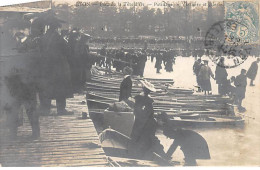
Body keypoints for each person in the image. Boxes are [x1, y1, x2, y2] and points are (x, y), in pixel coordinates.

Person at [38, 15, 73, 116]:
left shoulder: (43, 37)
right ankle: (61, 109)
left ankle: (45, 109)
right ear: (57, 28)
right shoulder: (59, 38)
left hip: (45, 67)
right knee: (60, 88)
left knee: (46, 87)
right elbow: (68, 51)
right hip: (59, 67)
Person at [129, 79, 166, 158]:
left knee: (138, 137)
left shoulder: (139, 99)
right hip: (148, 123)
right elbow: (149, 113)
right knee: (147, 139)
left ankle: (135, 154)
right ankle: (148, 154)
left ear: (143, 89)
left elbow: (136, 111)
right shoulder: (149, 101)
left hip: (140, 122)